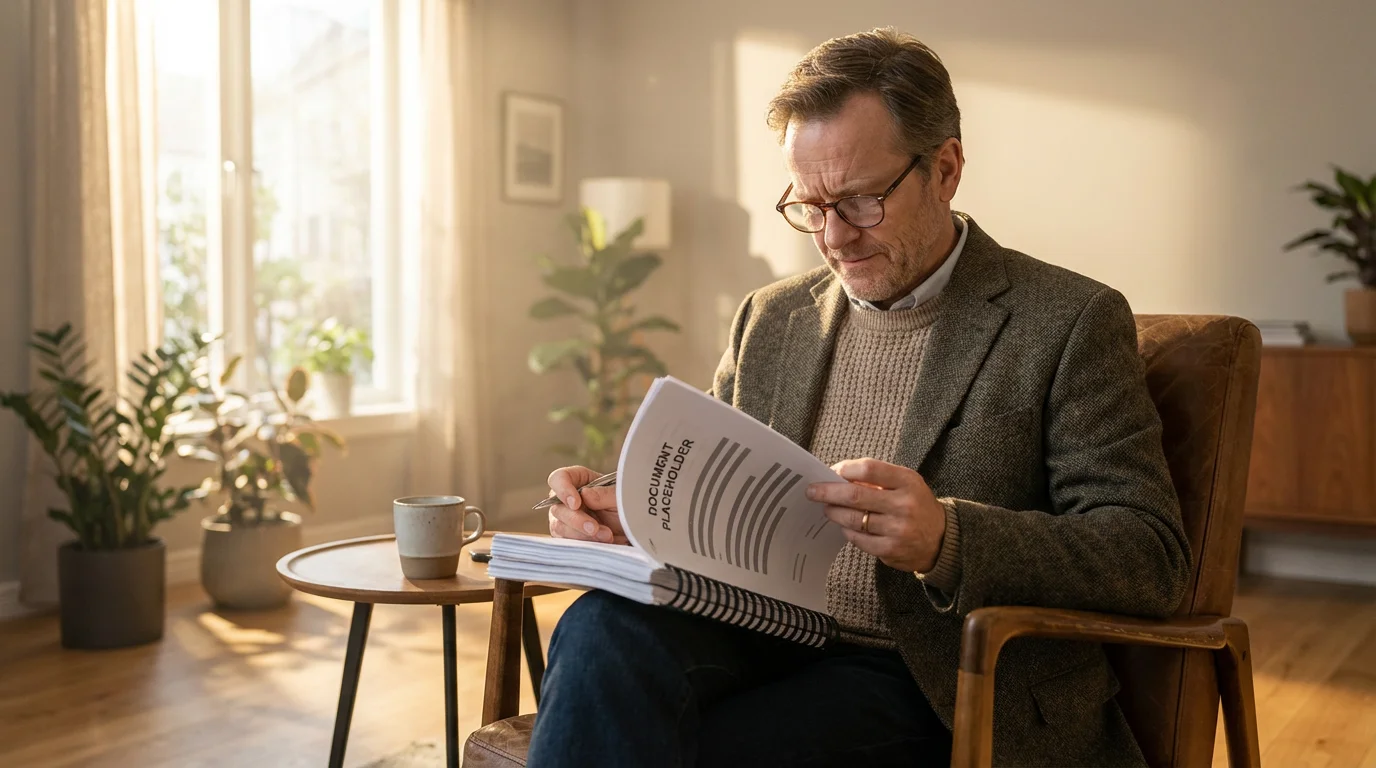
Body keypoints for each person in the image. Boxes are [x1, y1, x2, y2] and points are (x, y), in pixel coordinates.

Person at [526, 27, 1190, 768]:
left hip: (932, 672)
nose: (833, 237)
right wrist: (628, 514)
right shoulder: (770, 317)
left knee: (698, 748)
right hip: (762, 631)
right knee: (594, 630)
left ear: (945, 169)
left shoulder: (1067, 320)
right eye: (809, 205)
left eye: (860, 201)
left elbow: (1150, 555)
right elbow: (711, 497)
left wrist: (947, 539)